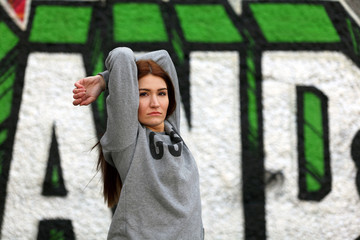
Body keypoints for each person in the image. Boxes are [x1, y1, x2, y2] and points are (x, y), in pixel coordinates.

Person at [72, 47, 204, 239]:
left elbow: (163, 57)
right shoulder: (127, 139)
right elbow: (122, 55)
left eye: (162, 93)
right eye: (143, 94)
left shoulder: (171, 129)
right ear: (131, 98)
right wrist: (105, 81)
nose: (155, 103)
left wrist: (107, 78)